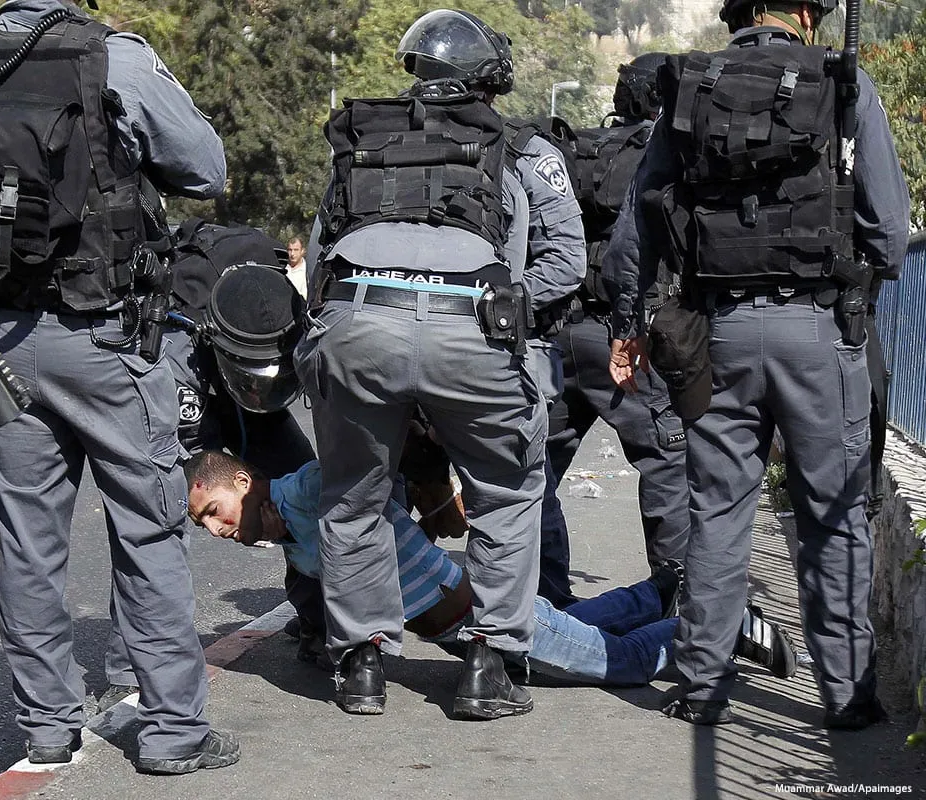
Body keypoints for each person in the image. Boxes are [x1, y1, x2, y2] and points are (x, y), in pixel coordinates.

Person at [0, 0, 238, 773]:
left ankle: (46, 727)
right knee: (149, 530)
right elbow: (206, 170)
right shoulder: (111, 56)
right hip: (104, 335)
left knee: (28, 540)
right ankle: (172, 732)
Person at [604, 0, 910, 728]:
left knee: (717, 512)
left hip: (719, 334)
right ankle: (846, 696)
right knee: (834, 514)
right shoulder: (840, 79)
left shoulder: (691, 85)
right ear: (804, 12)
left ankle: (701, 687)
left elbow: (638, 223)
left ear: (738, 15)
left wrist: (631, 321)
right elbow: (891, 231)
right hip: (819, 331)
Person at [298, 8, 585, 719]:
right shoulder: (520, 147)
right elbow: (567, 260)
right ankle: (489, 664)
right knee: (506, 493)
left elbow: (320, 260)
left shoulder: (365, 141)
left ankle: (361, 666)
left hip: (357, 323)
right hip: (472, 329)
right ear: (492, 81)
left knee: (353, 495)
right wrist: (505, 305)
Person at [184, 451, 798, 687]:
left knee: (624, 664)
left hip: (482, 617)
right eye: (204, 524)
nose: (216, 529)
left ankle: (723, 627)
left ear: (243, 481)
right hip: (466, 624)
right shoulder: (289, 536)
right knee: (576, 623)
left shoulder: (312, 486)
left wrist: (433, 499)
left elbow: (374, 462)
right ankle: (663, 594)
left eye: (215, 511)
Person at [98, 219, 323, 708]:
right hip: (192, 402)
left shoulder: (287, 319)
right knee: (158, 523)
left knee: (305, 494)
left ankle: (321, 622)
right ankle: (130, 667)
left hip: (251, 399)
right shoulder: (178, 355)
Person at [537, 53, 690, 608]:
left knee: (534, 470)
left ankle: (542, 602)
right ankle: (679, 604)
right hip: (623, 337)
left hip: (556, 334)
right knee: (668, 460)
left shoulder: (570, 153)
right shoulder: (663, 152)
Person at [286, 234, 308, 298]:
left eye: (296, 250)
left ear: (302, 251)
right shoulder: (282, 267)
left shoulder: (307, 270)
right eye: (290, 250)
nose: (292, 254)